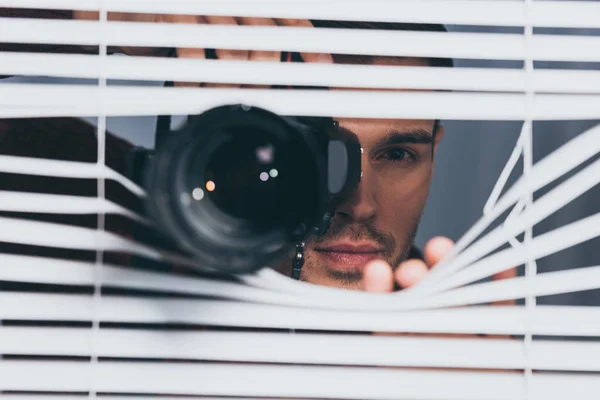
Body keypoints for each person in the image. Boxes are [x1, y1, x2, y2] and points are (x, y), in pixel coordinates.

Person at [1, 10, 515, 293]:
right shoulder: (79, 211)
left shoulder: (456, 341)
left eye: (397, 155)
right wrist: (82, 18)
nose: (358, 203)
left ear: (434, 153)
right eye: (317, 150)